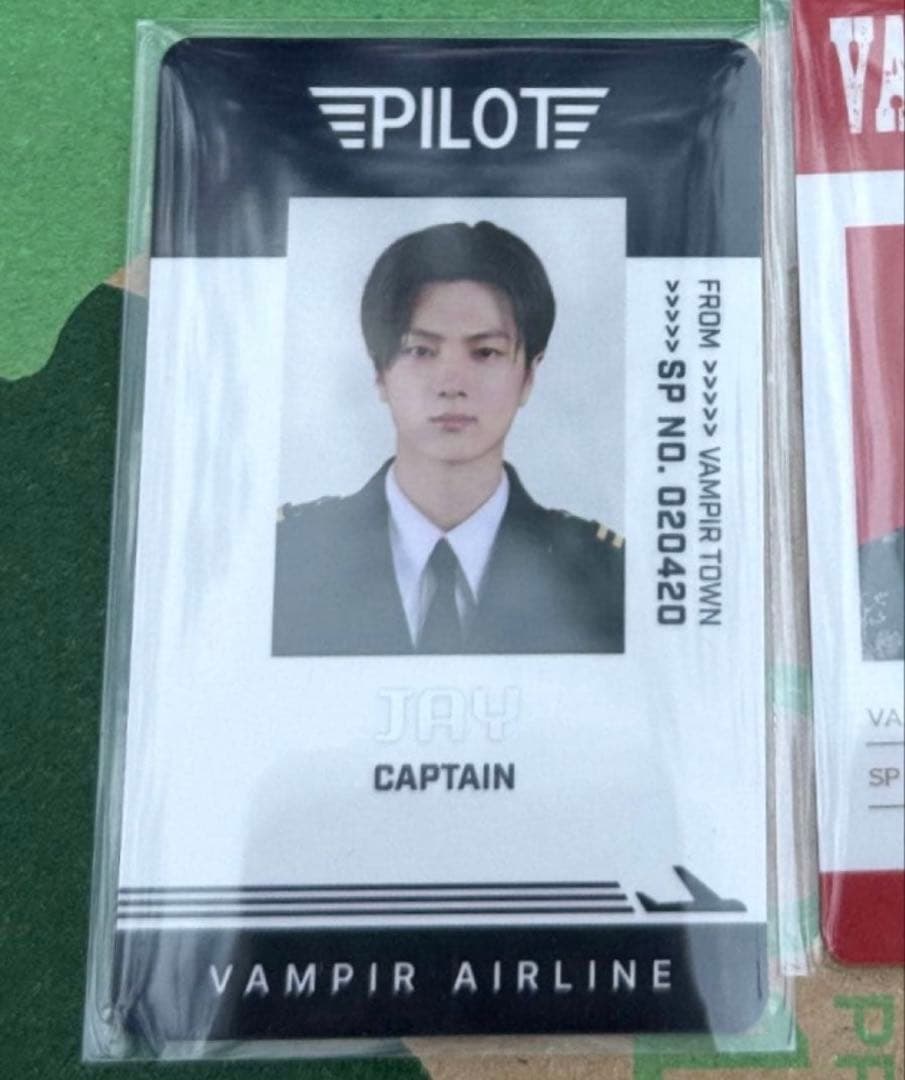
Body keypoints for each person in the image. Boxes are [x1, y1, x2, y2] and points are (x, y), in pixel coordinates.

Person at [272, 220, 624, 656]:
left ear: (529, 375)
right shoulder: (286, 558)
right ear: (379, 372)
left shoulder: (605, 574)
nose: (452, 384)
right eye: (420, 351)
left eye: (486, 352)